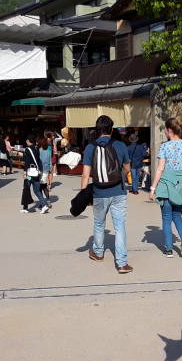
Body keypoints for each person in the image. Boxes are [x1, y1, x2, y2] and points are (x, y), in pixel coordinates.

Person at [81, 115, 132, 274]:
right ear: (111, 129)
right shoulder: (120, 145)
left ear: (98, 130)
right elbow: (127, 169)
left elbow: (85, 175)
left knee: (98, 224)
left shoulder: (90, 147)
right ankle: (122, 263)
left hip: (99, 193)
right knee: (120, 227)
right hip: (119, 192)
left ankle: (98, 253)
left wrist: (83, 195)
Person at [150, 118, 182, 258]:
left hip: (166, 184)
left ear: (169, 131)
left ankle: (169, 249)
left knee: (166, 217)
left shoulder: (165, 146)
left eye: (165, 129)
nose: (164, 131)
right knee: (177, 215)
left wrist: (152, 188)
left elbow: (160, 169)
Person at [23, 135, 49, 214]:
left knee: (26, 189)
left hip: (30, 173)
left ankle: (25, 207)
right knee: (37, 190)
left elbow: (27, 162)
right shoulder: (36, 148)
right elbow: (38, 160)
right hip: (36, 172)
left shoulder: (27, 149)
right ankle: (44, 205)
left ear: (28, 141)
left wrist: (25, 172)